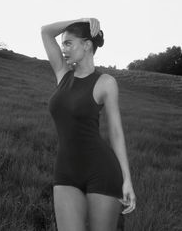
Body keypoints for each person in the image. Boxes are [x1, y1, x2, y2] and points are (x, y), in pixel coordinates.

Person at [41, 18, 136, 231]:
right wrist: (81, 19)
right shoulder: (62, 74)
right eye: (63, 43)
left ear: (87, 45)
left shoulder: (106, 83)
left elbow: (116, 132)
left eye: (68, 43)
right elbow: (46, 31)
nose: (63, 49)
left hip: (101, 171)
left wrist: (127, 180)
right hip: (65, 171)